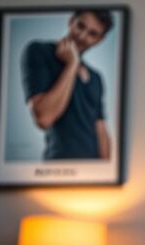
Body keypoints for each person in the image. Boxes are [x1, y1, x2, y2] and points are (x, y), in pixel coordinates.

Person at [21, 9, 114, 160]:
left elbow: (101, 128)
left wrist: (106, 170)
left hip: (94, 172)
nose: (82, 36)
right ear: (71, 21)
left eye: (92, 34)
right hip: (60, 166)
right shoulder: (39, 51)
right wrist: (71, 65)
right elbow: (44, 119)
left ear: (100, 40)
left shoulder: (96, 77)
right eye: (80, 26)